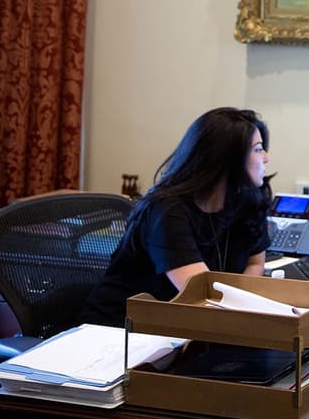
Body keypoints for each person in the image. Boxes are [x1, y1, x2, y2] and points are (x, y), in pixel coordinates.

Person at [80, 107, 274, 327]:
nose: (266, 158)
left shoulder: (248, 201)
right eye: (258, 149)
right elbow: (201, 294)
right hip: (122, 330)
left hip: (188, 327)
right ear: (227, 158)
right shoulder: (167, 210)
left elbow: (255, 262)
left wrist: (241, 302)